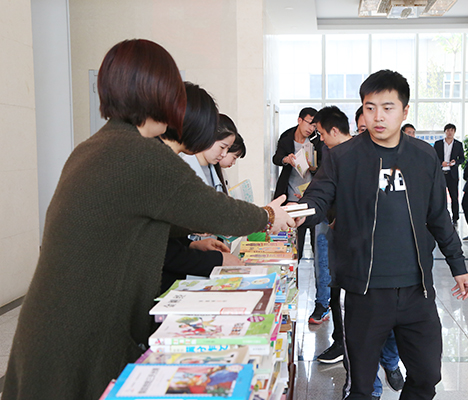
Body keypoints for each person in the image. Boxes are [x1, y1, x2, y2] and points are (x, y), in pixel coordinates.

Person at [1, 39, 296, 400]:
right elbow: (217, 210)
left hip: (56, 322)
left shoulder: (98, 146)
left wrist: (191, 237)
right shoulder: (141, 155)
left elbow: (130, 219)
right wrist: (268, 215)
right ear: (156, 95)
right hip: (80, 331)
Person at [299, 69, 468, 400]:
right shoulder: (343, 157)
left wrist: (458, 264)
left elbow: (438, 216)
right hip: (365, 292)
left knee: (426, 376)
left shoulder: (423, 157)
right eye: (370, 107)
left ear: (405, 111)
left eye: (388, 107)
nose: (378, 116)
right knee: (361, 388)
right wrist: (294, 215)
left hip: (416, 291)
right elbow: (317, 199)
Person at [313, 106, 404, 399]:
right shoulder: (343, 158)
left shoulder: (396, 161)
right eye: (363, 129)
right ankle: (369, 388)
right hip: (354, 258)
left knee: (391, 326)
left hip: (388, 260)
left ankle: (390, 362)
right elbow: (325, 196)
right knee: (362, 332)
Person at [158, 84, 243, 293]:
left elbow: (168, 233)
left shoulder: (168, 159)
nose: (224, 155)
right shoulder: (163, 164)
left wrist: (193, 245)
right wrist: (266, 217)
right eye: (222, 147)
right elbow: (159, 247)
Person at [273, 107, 324, 261]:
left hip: (312, 197)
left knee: (318, 246)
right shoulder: (287, 137)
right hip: (291, 196)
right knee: (295, 245)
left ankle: (319, 280)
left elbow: (324, 165)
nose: (311, 129)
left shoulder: (317, 140)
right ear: (299, 120)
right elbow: (276, 158)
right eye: (309, 123)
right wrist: (286, 160)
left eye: (314, 126)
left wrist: (315, 168)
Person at [181, 113, 238, 193]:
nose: (224, 154)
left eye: (228, 149)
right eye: (222, 147)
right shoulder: (184, 168)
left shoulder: (216, 171)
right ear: (208, 137)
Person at [434, 123, 464, 226]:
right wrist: (440, 162)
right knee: (440, 197)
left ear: (454, 132)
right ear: (445, 131)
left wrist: (455, 162)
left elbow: (462, 158)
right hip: (441, 173)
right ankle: (441, 217)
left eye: (452, 130)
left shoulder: (458, 144)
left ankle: (455, 218)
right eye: (448, 130)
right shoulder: (438, 144)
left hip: (452, 174)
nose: (450, 132)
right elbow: (434, 157)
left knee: (454, 196)